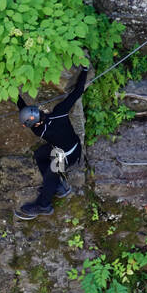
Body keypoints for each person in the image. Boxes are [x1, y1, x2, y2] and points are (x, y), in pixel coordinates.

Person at [15, 66, 89, 220]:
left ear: (35, 124)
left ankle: (44, 205)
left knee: (51, 173)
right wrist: (84, 71)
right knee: (39, 155)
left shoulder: (39, 131)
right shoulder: (59, 112)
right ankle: (58, 187)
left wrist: (16, 95)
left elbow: (23, 107)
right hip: (71, 146)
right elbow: (77, 91)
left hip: (67, 155)